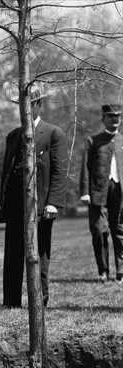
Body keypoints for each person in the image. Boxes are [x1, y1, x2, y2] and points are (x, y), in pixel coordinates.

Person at [0, 85, 67, 309]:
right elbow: (6, 173)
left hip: (41, 205)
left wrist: (54, 202)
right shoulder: (13, 136)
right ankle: (10, 302)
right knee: (13, 253)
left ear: (38, 105)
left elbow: (58, 171)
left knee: (40, 253)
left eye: (29, 104)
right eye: (21, 106)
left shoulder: (53, 133)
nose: (24, 110)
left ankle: (39, 301)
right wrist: (3, 203)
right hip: (16, 205)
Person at [79, 104, 123, 284]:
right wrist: (85, 192)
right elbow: (85, 169)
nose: (115, 119)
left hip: (120, 193)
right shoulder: (93, 141)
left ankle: (121, 272)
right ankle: (103, 271)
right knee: (99, 231)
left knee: (120, 232)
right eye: (111, 116)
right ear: (103, 118)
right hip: (98, 192)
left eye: (118, 116)